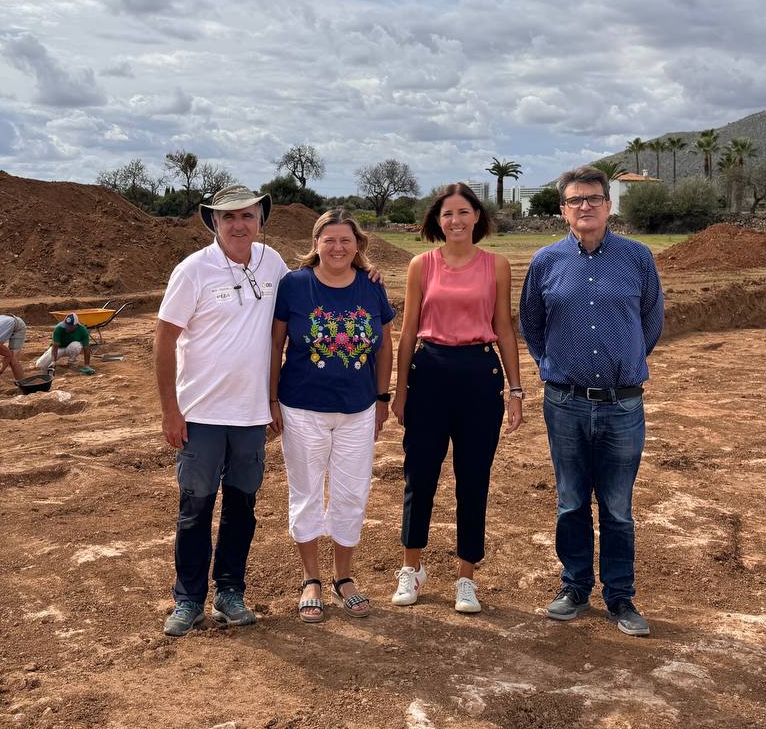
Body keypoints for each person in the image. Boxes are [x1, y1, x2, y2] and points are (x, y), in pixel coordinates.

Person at [519, 165, 664, 638]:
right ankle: (574, 586)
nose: (586, 206)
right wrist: (553, 369)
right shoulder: (545, 262)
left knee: (618, 506)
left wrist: (625, 360)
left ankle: (620, 597)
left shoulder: (638, 259)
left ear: (608, 205)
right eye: (576, 199)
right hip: (566, 404)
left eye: (594, 198)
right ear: (563, 209)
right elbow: (532, 326)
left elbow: (652, 323)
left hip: (623, 405)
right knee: (571, 502)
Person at [154, 185, 287, 637]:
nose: (238, 224)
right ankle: (188, 599)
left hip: (250, 417)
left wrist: (362, 272)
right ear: (213, 221)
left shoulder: (274, 265)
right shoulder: (193, 270)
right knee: (195, 507)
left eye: (246, 215)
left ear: (260, 219)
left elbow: (302, 306)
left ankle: (229, 592)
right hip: (201, 414)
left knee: (242, 508)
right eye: (227, 217)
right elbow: (165, 339)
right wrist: (171, 411)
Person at [390, 182, 524, 614]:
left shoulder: (497, 265)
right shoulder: (421, 265)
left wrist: (515, 389)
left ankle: (466, 578)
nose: (456, 221)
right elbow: (408, 330)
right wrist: (401, 389)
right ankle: (411, 568)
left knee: (473, 480)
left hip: (479, 376)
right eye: (447, 214)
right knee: (420, 475)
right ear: (436, 221)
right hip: (429, 373)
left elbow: (504, 327)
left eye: (464, 212)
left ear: (478, 218)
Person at [269, 208, 394, 623]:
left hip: (358, 410)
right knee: (305, 492)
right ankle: (311, 579)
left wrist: (381, 398)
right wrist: (270, 399)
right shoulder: (294, 285)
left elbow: (384, 348)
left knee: (351, 494)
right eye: (329, 240)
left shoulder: (371, 287)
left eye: (346, 240)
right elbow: (275, 346)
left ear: (357, 245)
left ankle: (344, 577)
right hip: (302, 407)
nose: (338, 247)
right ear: (316, 243)